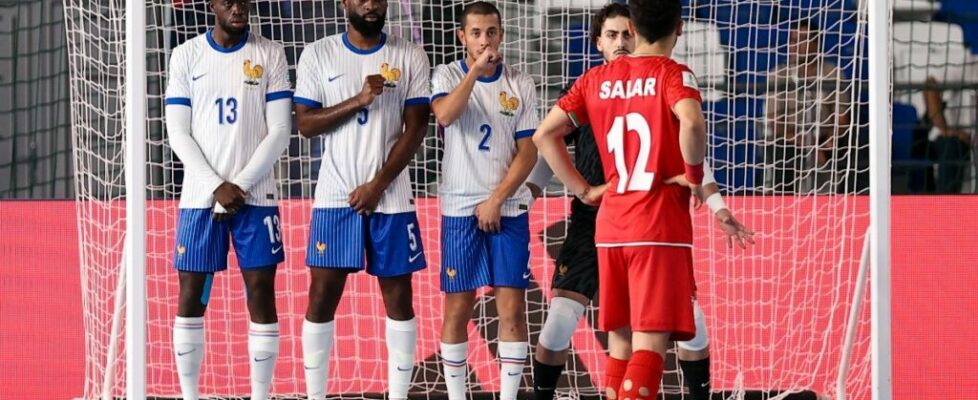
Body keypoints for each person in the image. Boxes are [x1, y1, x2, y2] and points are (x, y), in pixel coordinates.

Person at [526, 4, 753, 400]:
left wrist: (583, 189)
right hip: (656, 225)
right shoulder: (673, 74)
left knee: (620, 347)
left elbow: (544, 135)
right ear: (679, 28)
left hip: (611, 227)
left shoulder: (594, 79)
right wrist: (695, 177)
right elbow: (693, 124)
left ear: (633, 28)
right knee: (649, 349)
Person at [292, 0, 431, 398]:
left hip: (391, 198)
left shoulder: (409, 54)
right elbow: (305, 124)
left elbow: (417, 127)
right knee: (321, 297)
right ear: (344, 3)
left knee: (399, 299)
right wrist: (357, 99)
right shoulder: (318, 53)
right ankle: (316, 395)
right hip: (336, 197)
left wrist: (378, 185)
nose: (371, 4)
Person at [164, 1, 292, 399]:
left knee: (261, 292)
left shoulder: (270, 52)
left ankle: (260, 394)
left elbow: (280, 131)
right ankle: (190, 395)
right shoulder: (186, 55)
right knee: (191, 292)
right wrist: (215, 185)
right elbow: (178, 134)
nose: (237, 8)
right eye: (227, 1)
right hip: (200, 198)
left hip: (257, 196)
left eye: (243, 1)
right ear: (212, 5)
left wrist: (239, 184)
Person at [429, 2, 539, 399]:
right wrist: (475, 72)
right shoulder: (446, 74)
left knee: (510, 311)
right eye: (475, 33)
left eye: (491, 32)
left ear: (501, 34)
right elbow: (444, 116)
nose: (484, 40)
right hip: (459, 208)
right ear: (462, 37)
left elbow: (528, 152)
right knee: (458, 309)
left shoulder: (520, 82)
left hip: (507, 208)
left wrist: (497, 199)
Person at [763, 20, 852, 194]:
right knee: (781, 150)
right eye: (792, 40)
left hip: (825, 139)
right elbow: (775, 124)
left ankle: (844, 203)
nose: (794, 46)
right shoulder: (778, 75)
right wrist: (808, 146)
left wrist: (829, 140)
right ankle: (783, 203)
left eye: (800, 40)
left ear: (815, 44)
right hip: (791, 140)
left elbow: (842, 119)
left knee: (852, 145)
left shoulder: (833, 73)